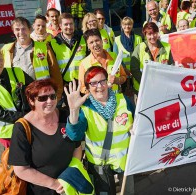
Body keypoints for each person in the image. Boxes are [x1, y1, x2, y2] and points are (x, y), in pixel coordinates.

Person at [65, 66, 135, 195]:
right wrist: (73, 110)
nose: (99, 86)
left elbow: (137, 120)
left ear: (107, 82)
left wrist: (134, 127)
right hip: (100, 164)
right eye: (93, 83)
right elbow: (75, 136)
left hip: (124, 160)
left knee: (129, 192)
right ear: (87, 88)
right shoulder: (85, 108)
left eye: (102, 81)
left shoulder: (123, 100)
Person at [8, 79, 82, 194]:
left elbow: (77, 146)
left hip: (70, 183)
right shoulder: (22, 128)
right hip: (43, 190)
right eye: (43, 98)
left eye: (53, 96)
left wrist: (71, 173)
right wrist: (55, 184)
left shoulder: (65, 116)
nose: (50, 101)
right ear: (32, 101)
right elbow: (21, 169)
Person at [1, 17, 63, 101]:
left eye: (24, 29)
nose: (21, 32)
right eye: (17, 29)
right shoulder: (6, 49)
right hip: (19, 97)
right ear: (13, 31)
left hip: (42, 94)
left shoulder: (44, 47)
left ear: (30, 29)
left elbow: (55, 72)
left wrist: (57, 95)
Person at [130, 22, 174, 98]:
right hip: (142, 90)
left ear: (158, 33)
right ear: (145, 35)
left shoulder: (166, 47)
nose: (152, 36)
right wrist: (146, 83)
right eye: (149, 34)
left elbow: (171, 67)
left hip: (161, 89)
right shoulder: (139, 48)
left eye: (155, 33)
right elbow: (134, 69)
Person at [79, 29, 127, 93]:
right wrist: (97, 92)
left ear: (101, 41)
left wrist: (117, 80)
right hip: (97, 102)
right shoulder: (84, 64)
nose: (95, 44)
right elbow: (82, 88)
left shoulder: (114, 56)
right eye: (91, 42)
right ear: (88, 46)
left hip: (116, 99)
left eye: (97, 40)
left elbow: (123, 76)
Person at [50, 13, 86, 84]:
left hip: (82, 82)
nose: (69, 27)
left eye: (71, 24)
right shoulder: (53, 43)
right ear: (60, 25)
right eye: (66, 24)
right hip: (64, 83)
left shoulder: (83, 39)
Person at [113, 17, 142, 94]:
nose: (127, 26)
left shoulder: (138, 38)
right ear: (122, 26)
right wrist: (124, 69)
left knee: (137, 92)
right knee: (125, 94)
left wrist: (134, 69)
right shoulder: (117, 39)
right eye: (125, 24)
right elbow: (116, 57)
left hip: (136, 71)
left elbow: (141, 55)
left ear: (132, 25)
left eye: (129, 24)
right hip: (123, 72)